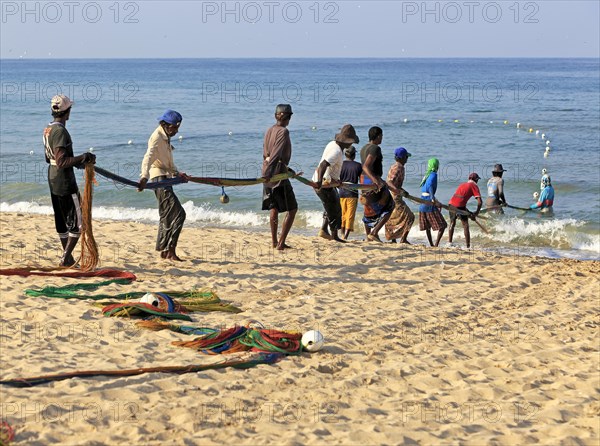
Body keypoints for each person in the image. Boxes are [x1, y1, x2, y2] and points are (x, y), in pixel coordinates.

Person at [43, 95, 96, 267]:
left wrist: (78, 161)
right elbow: (62, 161)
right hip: (64, 181)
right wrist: (84, 156)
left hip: (52, 178)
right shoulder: (60, 132)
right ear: (68, 112)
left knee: (62, 220)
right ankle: (65, 257)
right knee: (79, 222)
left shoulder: (48, 129)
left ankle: (68, 258)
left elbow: (48, 158)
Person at [138, 110, 188, 261]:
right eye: (174, 128)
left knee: (166, 215)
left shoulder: (165, 136)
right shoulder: (157, 137)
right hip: (158, 179)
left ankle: (164, 250)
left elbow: (166, 160)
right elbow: (148, 157)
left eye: (177, 127)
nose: (176, 131)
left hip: (164, 177)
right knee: (179, 214)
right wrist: (143, 176)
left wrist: (177, 173)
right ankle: (170, 251)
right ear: (165, 125)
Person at [312, 125, 359, 243]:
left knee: (330, 206)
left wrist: (336, 181)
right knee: (335, 209)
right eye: (351, 142)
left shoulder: (333, 145)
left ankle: (324, 230)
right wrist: (318, 182)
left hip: (329, 182)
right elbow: (323, 164)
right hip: (323, 184)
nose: (351, 145)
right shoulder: (337, 151)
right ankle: (334, 236)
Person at [261, 104, 298, 250]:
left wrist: (266, 173)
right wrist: (270, 174)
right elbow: (276, 154)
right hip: (277, 176)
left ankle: (274, 242)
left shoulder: (270, 130)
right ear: (287, 117)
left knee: (274, 207)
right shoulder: (284, 132)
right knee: (292, 209)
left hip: (268, 172)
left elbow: (266, 154)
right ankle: (281, 243)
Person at [360, 126, 395, 242]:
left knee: (368, 208)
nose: (382, 138)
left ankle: (368, 235)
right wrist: (376, 180)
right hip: (372, 180)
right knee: (390, 205)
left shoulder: (364, 148)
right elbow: (366, 166)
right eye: (382, 136)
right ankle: (374, 233)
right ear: (378, 136)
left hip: (363, 180)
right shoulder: (375, 148)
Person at [385, 147, 415, 244]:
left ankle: (393, 239)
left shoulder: (394, 166)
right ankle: (403, 239)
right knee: (410, 217)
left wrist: (403, 191)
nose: (407, 159)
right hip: (394, 197)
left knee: (393, 217)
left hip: (390, 195)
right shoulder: (399, 167)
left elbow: (394, 183)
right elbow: (389, 182)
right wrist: (398, 191)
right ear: (402, 158)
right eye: (406, 157)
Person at [448, 173, 483, 248]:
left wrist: (469, 213)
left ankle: (449, 243)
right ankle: (468, 246)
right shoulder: (474, 185)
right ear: (476, 180)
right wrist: (476, 213)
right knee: (465, 225)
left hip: (451, 204)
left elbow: (459, 200)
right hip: (460, 206)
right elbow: (480, 202)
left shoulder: (462, 184)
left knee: (452, 223)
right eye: (477, 180)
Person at [418, 158, 447, 247]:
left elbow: (425, 189)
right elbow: (430, 186)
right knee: (443, 225)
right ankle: (436, 245)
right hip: (429, 203)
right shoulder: (433, 174)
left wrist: (434, 199)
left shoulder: (427, 175)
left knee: (428, 227)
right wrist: (433, 198)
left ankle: (431, 244)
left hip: (422, 203)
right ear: (436, 166)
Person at [339, 145, 362, 240]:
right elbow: (362, 180)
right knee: (350, 215)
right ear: (354, 155)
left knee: (343, 214)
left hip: (341, 192)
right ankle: (345, 236)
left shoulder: (341, 164)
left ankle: (342, 234)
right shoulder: (358, 166)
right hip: (352, 194)